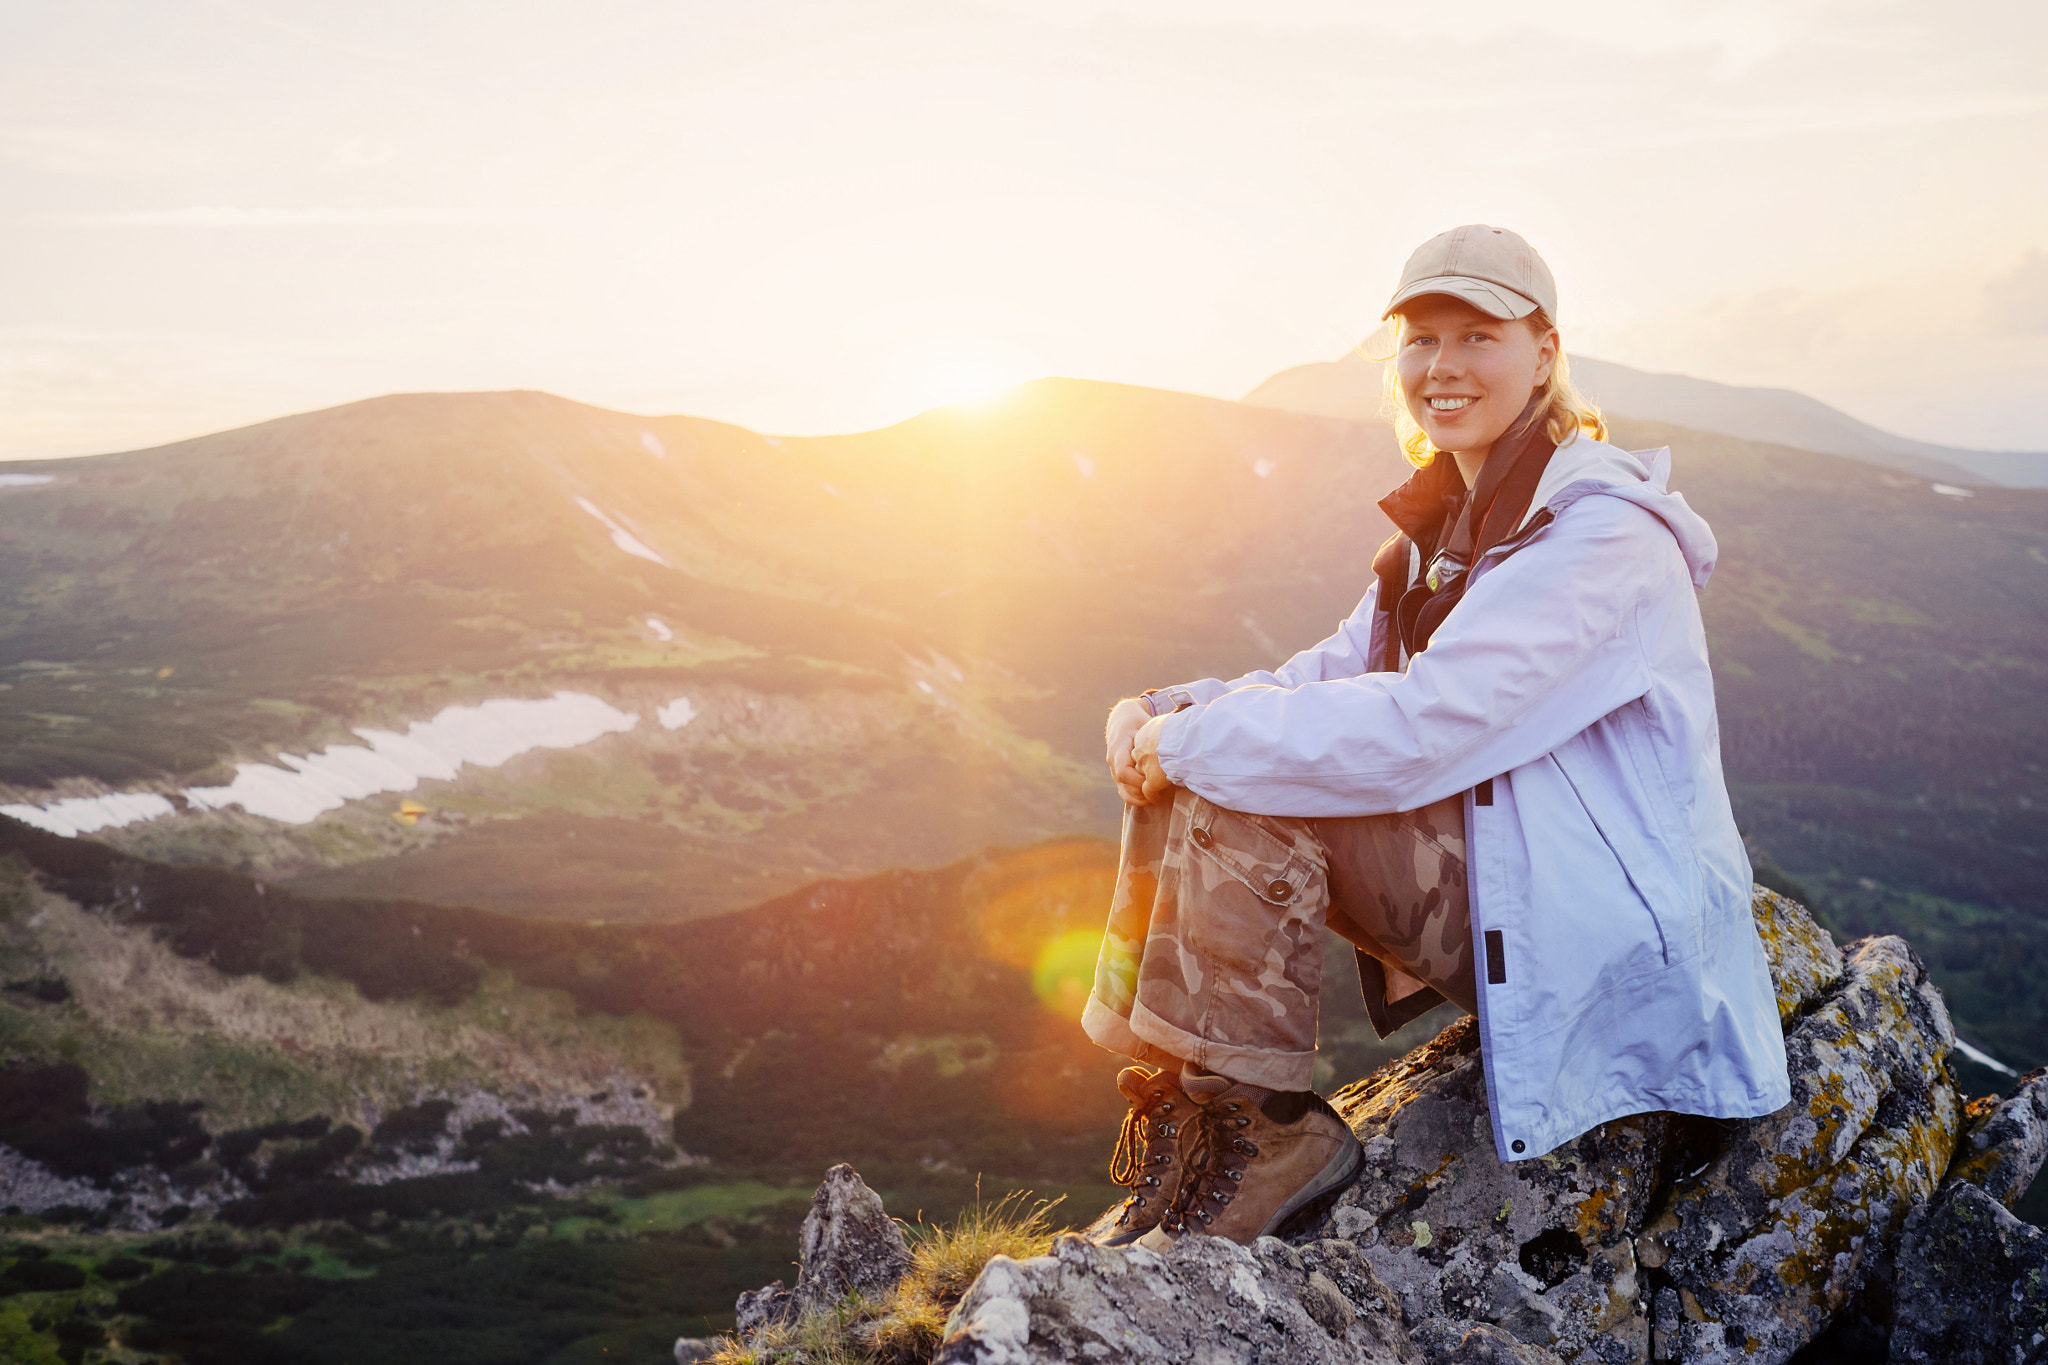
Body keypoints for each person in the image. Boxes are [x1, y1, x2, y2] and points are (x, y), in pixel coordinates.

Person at [1082, 225, 1791, 1251]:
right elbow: (1320, 678)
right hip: (1518, 879)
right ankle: (1206, 1114)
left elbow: (1419, 732)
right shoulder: (1442, 531)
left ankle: (1263, 1134)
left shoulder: (1602, 537)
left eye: (1476, 336)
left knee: (1228, 779)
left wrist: (1184, 745)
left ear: (1543, 354)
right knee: (1209, 757)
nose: (1440, 366)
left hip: (1605, 943)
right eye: (1419, 340)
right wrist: (1160, 709)